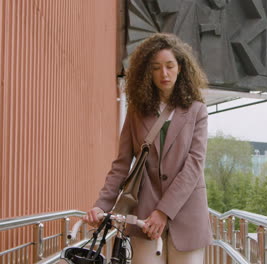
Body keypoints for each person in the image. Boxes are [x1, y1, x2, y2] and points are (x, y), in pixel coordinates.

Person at [83, 33, 212, 263]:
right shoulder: (136, 112)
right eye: (156, 67)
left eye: (170, 66)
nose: (164, 73)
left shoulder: (197, 111)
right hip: (145, 219)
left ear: (180, 68)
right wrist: (101, 205)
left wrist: (164, 211)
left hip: (188, 216)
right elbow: (122, 165)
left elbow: (194, 166)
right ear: (147, 72)